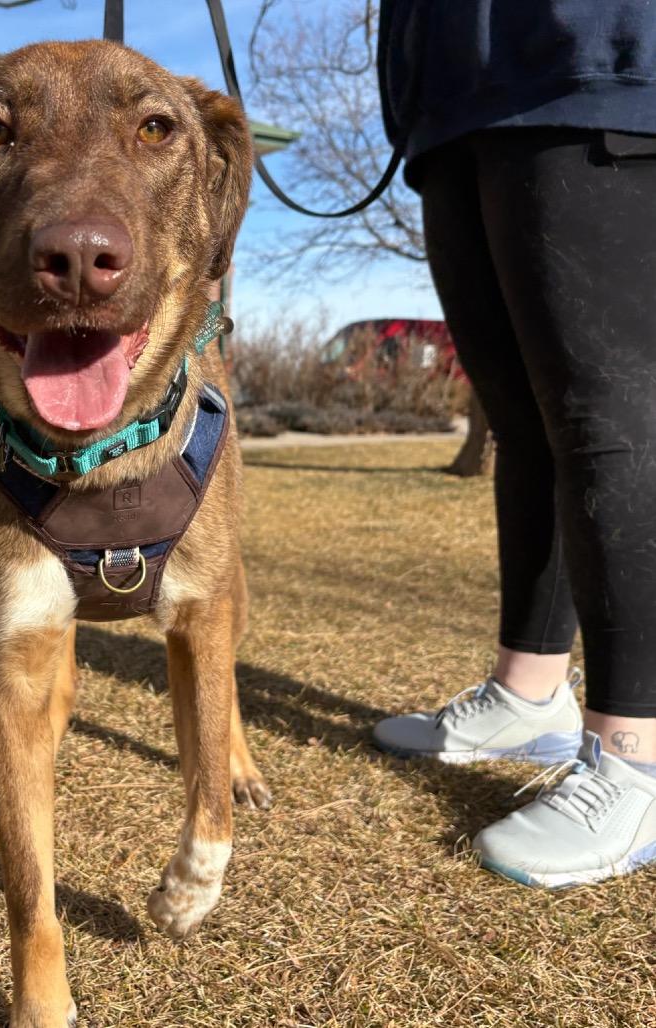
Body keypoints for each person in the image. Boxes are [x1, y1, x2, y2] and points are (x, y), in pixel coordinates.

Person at [371, 0, 656, 887]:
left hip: (591, 57)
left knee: (606, 413)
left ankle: (639, 758)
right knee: (522, 421)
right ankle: (528, 694)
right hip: (453, 95)